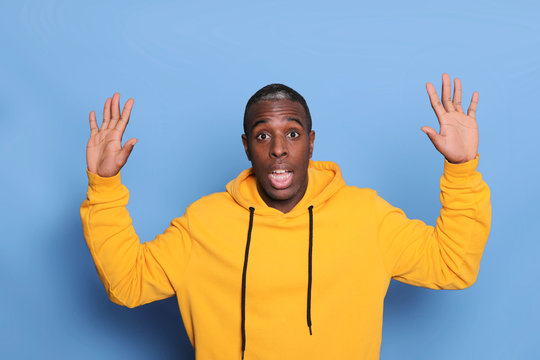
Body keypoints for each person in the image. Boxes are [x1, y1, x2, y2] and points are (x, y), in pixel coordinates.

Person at [80, 74, 491, 360]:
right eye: (263, 135)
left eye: (292, 134)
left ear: (311, 143)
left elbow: (453, 265)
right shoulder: (204, 223)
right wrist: (104, 187)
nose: (279, 148)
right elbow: (128, 284)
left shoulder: (367, 216)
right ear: (246, 147)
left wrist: (462, 169)